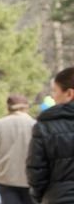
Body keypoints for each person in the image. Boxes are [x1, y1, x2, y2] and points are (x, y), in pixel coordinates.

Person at [28, 66, 74, 203]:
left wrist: (41, 197)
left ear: (69, 94)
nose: (52, 96)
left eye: (55, 91)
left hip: (59, 198)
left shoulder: (46, 126)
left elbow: (36, 171)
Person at [0, 94, 36, 203]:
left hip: (4, 177)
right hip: (32, 178)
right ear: (26, 107)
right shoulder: (36, 125)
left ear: (8, 107)